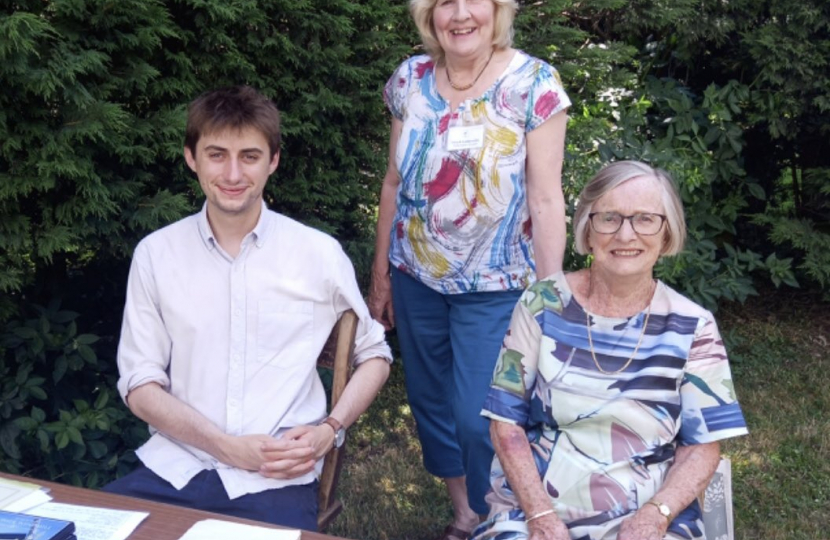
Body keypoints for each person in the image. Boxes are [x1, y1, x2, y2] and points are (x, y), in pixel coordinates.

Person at [105, 85, 392, 531]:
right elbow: (140, 384)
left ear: (273, 161)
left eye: (250, 156)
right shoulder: (156, 254)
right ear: (191, 157)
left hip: (273, 483)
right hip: (172, 471)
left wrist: (328, 431)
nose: (234, 173)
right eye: (217, 154)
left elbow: (375, 355)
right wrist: (224, 446)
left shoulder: (317, 254)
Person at [367, 0, 571, 538]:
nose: (459, 14)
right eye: (443, 3)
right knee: (430, 403)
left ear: (499, 9)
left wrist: (551, 297)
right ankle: (467, 513)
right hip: (415, 277)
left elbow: (547, 201)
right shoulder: (409, 79)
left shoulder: (534, 84)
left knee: (479, 416)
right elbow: (392, 182)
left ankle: (502, 516)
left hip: (498, 285)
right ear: (428, 14)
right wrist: (381, 273)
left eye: (473, 1)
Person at [471, 161, 749, 540]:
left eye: (645, 219)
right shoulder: (542, 303)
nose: (626, 234)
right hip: (535, 504)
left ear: (667, 234)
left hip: (649, 512)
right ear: (587, 229)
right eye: (609, 218)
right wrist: (540, 517)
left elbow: (703, 446)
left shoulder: (692, 324)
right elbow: (505, 424)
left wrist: (655, 515)